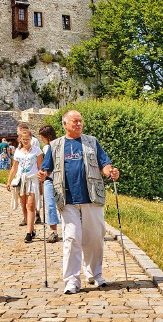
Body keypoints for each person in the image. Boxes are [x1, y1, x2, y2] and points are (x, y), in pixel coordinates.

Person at [38, 110, 120, 294]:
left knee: (95, 239)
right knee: (72, 238)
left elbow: (104, 164)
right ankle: (72, 280)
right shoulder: (55, 145)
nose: (78, 124)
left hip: (92, 198)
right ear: (65, 124)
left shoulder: (92, 142)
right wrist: (43, 174)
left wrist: (111, 172)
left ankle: (94, 274)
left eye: (80, 121)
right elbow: (46, 169)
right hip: (67, 200)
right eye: (74, 121)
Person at [6, 129, 43, 243]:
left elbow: (40, 166)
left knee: (30, 205)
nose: (26, 141)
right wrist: (9, 181)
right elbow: (14, 167)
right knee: (23, 205)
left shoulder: (37, 151)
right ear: (20, 139)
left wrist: (41, 182)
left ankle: (28, 233)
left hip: (32, 179)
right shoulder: (17, 151)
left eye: (28, 139)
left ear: (31, 139)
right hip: (21, 180)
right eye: (24, 139)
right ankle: (31, 228)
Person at [38, 125, 60, 243]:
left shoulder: (47, 147)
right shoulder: (59, 145)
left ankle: (53, 231)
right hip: (57, 178)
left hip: (50, 179)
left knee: (50, 205)